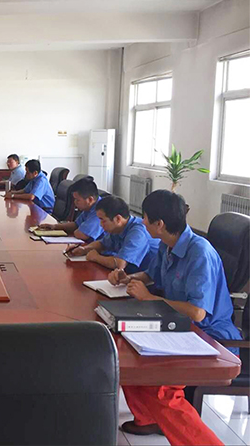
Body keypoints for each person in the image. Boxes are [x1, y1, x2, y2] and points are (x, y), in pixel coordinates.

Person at [107, 190, 240, 445]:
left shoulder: (199, 253)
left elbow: (198, 312)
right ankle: (147, 419)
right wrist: (128, 278)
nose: (142, 222)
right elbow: (152, 275)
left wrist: (150, 299)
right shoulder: (167, 245)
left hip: (209, 336)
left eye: (145, 218)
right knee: (127, 353)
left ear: (159, 224)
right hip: (178, 326)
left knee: (162, 390)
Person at [67, 196, 159, 273]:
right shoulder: (117, 228)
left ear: (118, 219)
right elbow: (102, 243)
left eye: (103, 220)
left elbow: (120, 264)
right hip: (129, 276)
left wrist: (96, 257)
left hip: (147, 282)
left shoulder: (138, 232)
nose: (100, 224)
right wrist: (84, 249)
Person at [37, 178, 104, 241]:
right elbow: (76, 224)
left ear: (90, 199)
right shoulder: (89, 207)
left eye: (77, 200)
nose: (75, 202)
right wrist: (55, 226)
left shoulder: (100, 211)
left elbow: (82, 235)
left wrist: (78, 230)